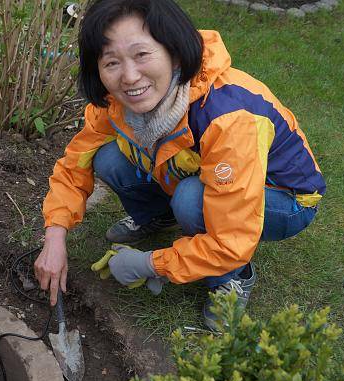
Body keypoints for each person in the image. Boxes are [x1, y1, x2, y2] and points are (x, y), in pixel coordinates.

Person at [35, 0, 325, 330]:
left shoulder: (229, 117)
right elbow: (75, 164)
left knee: (191, 199)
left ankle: (231, 280)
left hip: (285, 198)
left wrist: (151, 264)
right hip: (207, 174)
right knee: (108, 158)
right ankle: (159, 217)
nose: (129, 77)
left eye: (142, 55)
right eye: (111, 62)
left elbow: (231, 238)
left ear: (173, 50)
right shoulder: (115, 101)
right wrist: (55, 236)